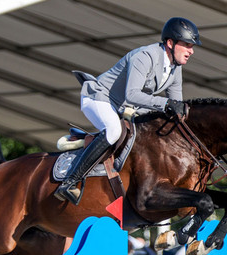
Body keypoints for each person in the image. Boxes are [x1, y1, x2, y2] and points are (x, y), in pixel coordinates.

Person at [54, 17, 201, 205]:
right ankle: (71, 181)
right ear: (170, 43)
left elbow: (175, 104)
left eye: (192, 46)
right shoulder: (145, 56)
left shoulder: (175, 68)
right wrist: (166, 104)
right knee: (114, 131)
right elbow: (132, 95)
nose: (191, 51)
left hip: (121, 107)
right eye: (187, 45)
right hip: (98, 97)